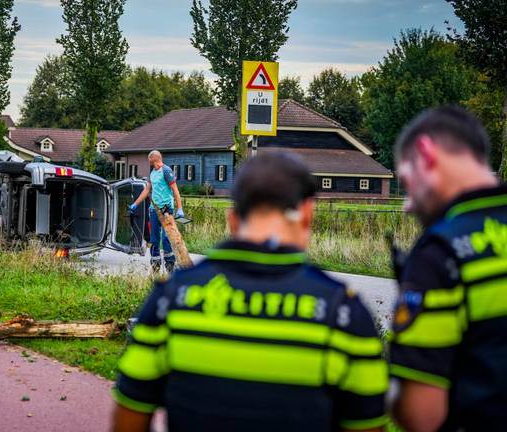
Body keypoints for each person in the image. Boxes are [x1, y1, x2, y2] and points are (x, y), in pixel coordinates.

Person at [112, 152, 388, 432]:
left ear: (233, 219)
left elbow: (128, 418)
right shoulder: (345, 314)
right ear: (307, 214)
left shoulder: (168, 301)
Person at [390, 106, 507, 431]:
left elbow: (422, 416)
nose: (407, 204)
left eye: (406, 181)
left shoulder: (441, 253)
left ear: (427, 153)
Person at [129, 150, 185, 273]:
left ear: (153, 159)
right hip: (154, 210)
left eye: (149, 159)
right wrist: (135, 204)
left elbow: (175, 190)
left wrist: (179, 208)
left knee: (166, 238)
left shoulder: (166, 171)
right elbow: (147, 190)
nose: (148, 162)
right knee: (154, 239)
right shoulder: (152, 172)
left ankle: (170, 265)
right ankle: (155, 266)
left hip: (166, 209)